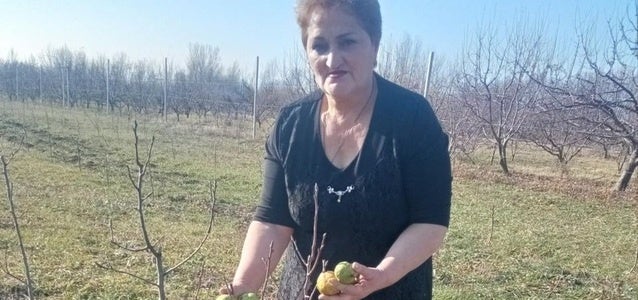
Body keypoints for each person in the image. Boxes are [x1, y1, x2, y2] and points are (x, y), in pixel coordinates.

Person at [221, 0, 452, 299]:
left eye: (347, 42)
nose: (332, 59)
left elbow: (430, 221)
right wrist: (241, 287)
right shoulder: (291, 125)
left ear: (375, 45)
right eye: (319, 45)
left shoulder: (412, 119)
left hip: (392, 290)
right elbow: (272, 222)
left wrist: (381, 275)